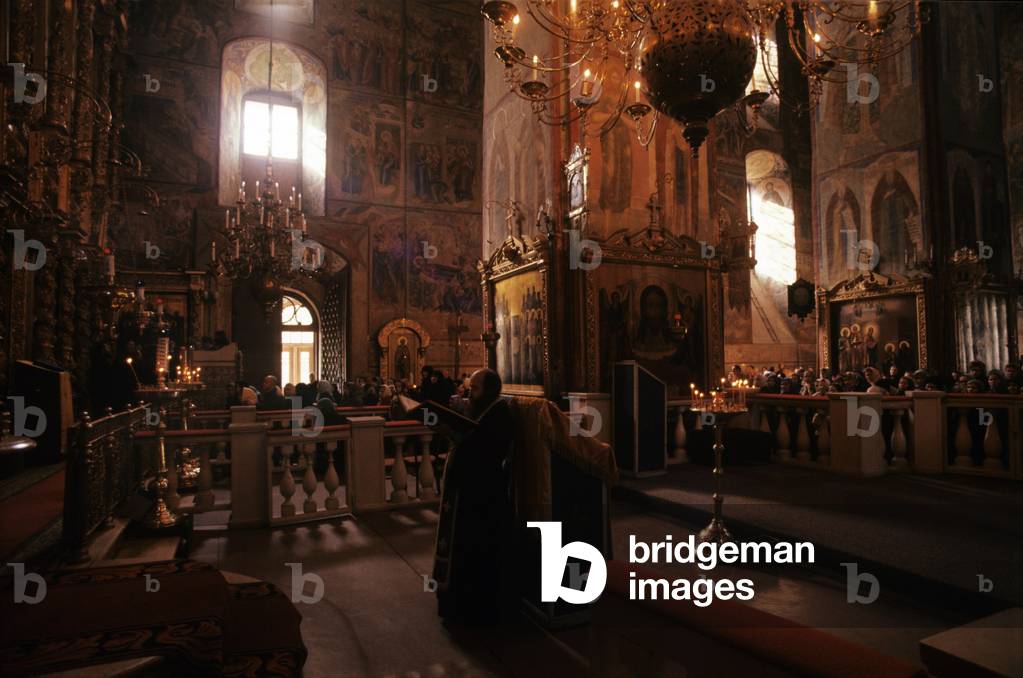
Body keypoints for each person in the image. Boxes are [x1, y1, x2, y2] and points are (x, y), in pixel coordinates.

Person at [432, 368, 516, 625]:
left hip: (482, 497)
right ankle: (457, 604)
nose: (470, 394)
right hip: (466, 494)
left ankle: (472, 609)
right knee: (460, 547)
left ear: (489, 391)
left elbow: (486, 452)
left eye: (475, 389)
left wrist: (456, 435)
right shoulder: (481, 412)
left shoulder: (499, 414)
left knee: (476, 552)